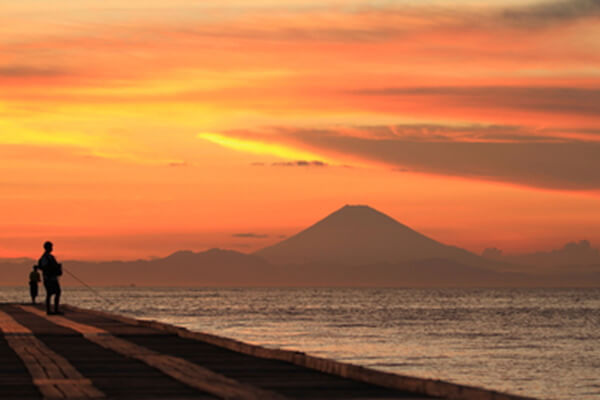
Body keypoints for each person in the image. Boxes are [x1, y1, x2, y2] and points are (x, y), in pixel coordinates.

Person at [38, 241, 63, 315]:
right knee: (50, 293)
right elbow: (45, 268)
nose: (52, 248)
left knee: (56, 292)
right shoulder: (45, 257)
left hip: (53, 278)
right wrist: (55, 268)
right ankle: (50, 310)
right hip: (48, 279)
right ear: (47, 248)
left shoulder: (50, 257)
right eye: (51, 247)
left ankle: (55, 309)